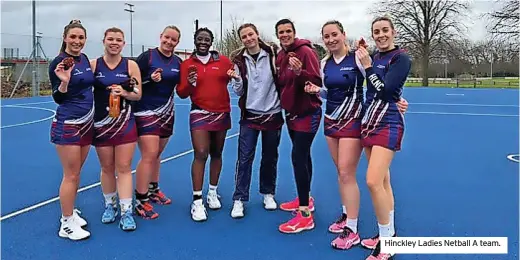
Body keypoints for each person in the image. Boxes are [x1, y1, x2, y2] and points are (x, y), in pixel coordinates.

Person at [304, 20, 408, 250]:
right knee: (342, 174)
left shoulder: (359, 59)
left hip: (354, 121)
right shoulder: (325, 63)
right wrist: (316, 91)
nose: (331, 39)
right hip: (331, 121)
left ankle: (353, 228)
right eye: (326, 36)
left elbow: (378, 84)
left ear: (343, 35)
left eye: (335, 34)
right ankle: (347, 216)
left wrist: (398, 100)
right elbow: (330, 91)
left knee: (348, 172)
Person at [356, 16, 411, 260]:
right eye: (376, 31)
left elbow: (388, 90)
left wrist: (368, 67)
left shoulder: (401, 58)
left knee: (372, 181)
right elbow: (372, 89)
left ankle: (387, 243)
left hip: (388, 122)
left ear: (394, 32)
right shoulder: (375, 57)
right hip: (369, 122)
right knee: (384, 182)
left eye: (385, 30)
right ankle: (389, 235)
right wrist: (364, 58)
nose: (381, 35)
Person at [177, 27, 234, 222]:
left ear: (211, 42)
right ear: (194, 41)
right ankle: (197, 201)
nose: (203, 42)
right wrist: (190, 84)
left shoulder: (224, 61)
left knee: (217, 153)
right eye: (200, 39)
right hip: (199, 112)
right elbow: (182, 93)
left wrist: (237, 78)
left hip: (221, 112)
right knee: (201, 153)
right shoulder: (186, 64)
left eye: (206, 39)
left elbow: (236, 78)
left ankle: (212, 192)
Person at [228, 23, 282, 218]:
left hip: (273, 114)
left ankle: (268, 193)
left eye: (251, 34)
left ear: (257, 34)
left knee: (269, 157)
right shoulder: (238, 60)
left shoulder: (273, 54)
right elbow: (239, 91)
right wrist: (237, 80)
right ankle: (239, 199)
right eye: (244, 36)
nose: (248, 38)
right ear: (241, 40)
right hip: (249, 116)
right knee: (244, 158)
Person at [90, 27, 142, 231]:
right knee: (107, 167)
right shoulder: (94, 65)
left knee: (124, 167)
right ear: (103, 40)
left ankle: (127, 211)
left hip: (124, 123)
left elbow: (138, 93)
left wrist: (124, 92)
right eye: (110, 39)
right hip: (102, 123)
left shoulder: (130, 65)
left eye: (118, 40)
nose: (114, 42)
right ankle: (109, 206)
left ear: (124, 43)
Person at [273, 19, 322, 234]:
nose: (285, 35)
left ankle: (304, 215)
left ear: (294, 32)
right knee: (303, 156)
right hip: (291, 113)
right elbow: (283, 82)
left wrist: (301, 71)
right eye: (281, 32)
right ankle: (306, 199)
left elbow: (317, 82)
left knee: (298, 156)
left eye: (288, 31)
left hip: (308, 112)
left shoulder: (306, 52)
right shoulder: (281, 55)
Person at [49, 19, 92, 240]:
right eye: (73, 37)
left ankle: (70, 212)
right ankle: (66, 223)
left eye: (81, 37)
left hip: (87, 123)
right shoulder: (58, 62)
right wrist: (64, 81)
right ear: (65, 38)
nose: (77, 41)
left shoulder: (84, 59)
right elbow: (58, 97)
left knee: (76, 173)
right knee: (71, 174)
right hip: (69, 124)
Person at [133, 25, 182, 219]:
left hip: (167, 112)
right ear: (160, 37)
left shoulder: (178, 62)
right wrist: (149, 79)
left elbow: (183, 87)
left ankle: (153, 190)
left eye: (174, 40)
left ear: (177, 42)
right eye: (167, 38)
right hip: (145, 111)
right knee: (149, 154)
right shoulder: (148, 57)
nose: (169, 42)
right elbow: (131, 82)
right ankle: (140, 199)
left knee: (157, 154)